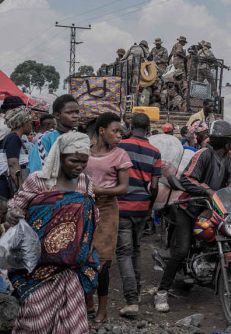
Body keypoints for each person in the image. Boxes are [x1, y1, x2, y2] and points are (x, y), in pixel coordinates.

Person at [5, 131, 98, 333]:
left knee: (72, 321)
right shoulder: (38, 180)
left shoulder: (86, 183)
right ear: (60, 156)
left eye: (84, 161)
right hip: (38, 265)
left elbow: (91, 218)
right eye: (74, 161)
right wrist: (12, 214)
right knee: (35, 320)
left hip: (71, 266)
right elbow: (16, 206)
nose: (80, 166)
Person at [154, 120, 231, 313]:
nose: (229, 145)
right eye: (228, 142)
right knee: (181, 250)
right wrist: (207, 191)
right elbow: (187, 178)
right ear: (225, 142)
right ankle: (161, 292)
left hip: (215, 208)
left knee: (229, 238)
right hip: (190, 208)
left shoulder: (225, 158)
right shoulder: (203, 155)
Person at [85, 113, 132, 325]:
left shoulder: (120, 154)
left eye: (120, 132)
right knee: (82, 256)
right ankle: (88, 303)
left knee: (103, 262)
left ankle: (102, 311)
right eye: (115, 131)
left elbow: (123, 187)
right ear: (101, 130)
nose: (119, 135)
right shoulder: (84, 151)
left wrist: (100, 190)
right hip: (83, 208)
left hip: (106, 209)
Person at [116, 113, 161, 317]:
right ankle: (137, 293)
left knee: (124, 252)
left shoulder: (121, 146)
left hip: (122, 206)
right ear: (148, 128)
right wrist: (149, 207)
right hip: (142, 207)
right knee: (135, 249)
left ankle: (132, 300)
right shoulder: (155, 152)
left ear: (131, 125)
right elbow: (154, 186)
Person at [27, 95, 80, 174]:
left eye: (77, 112)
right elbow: (38, 171)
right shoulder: (45, 139)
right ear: (57, 115)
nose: (75, 116)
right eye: (70, 112)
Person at [0, 106, 33, 199]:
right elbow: (13, 164)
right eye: (30, 123)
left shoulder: (9, 137)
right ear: (23, 124)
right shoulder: (13, 138)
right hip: (6, 186)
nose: (31, 126)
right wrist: (21, 189)